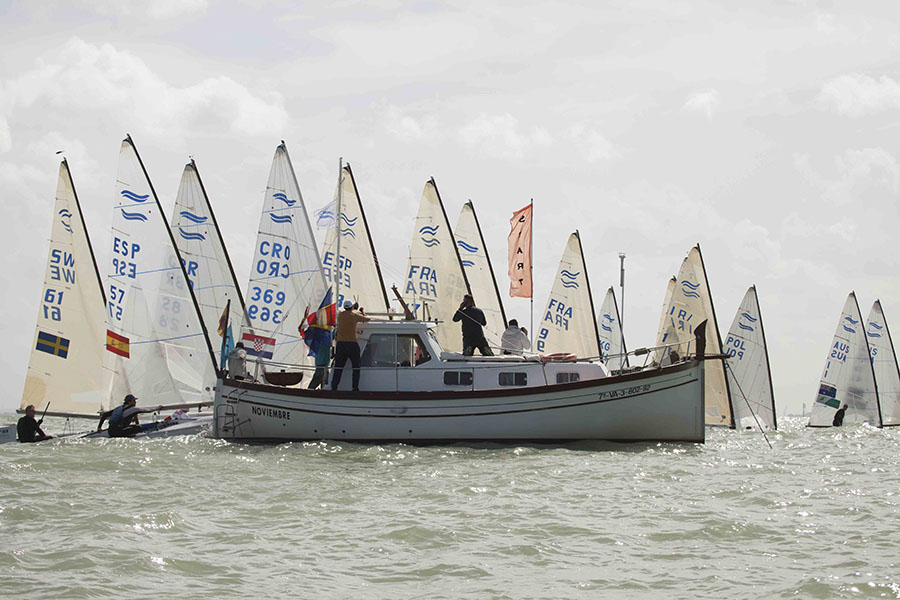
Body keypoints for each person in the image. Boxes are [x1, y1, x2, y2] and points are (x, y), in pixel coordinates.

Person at [331, 301, 370, 391]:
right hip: (351, 344)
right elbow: (367, 319)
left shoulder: (340, 315)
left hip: (340, 344)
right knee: (356, 367)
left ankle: (334, 387)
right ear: (352, 307)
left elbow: (345, 315)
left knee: (338, 367)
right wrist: (362, 313)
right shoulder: (354, 316)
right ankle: (355, 388)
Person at [96, 394, 163, 438]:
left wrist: (99, 427)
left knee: (133, 426)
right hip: (118, 432)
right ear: (129, 402)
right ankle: (155, 426)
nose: (135, 402)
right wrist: (157, 408)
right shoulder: (133, 409)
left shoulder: (119, 408)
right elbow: (147, 410)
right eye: (134, 400)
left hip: (110, 431)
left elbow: (105, 415)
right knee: (138, 428)